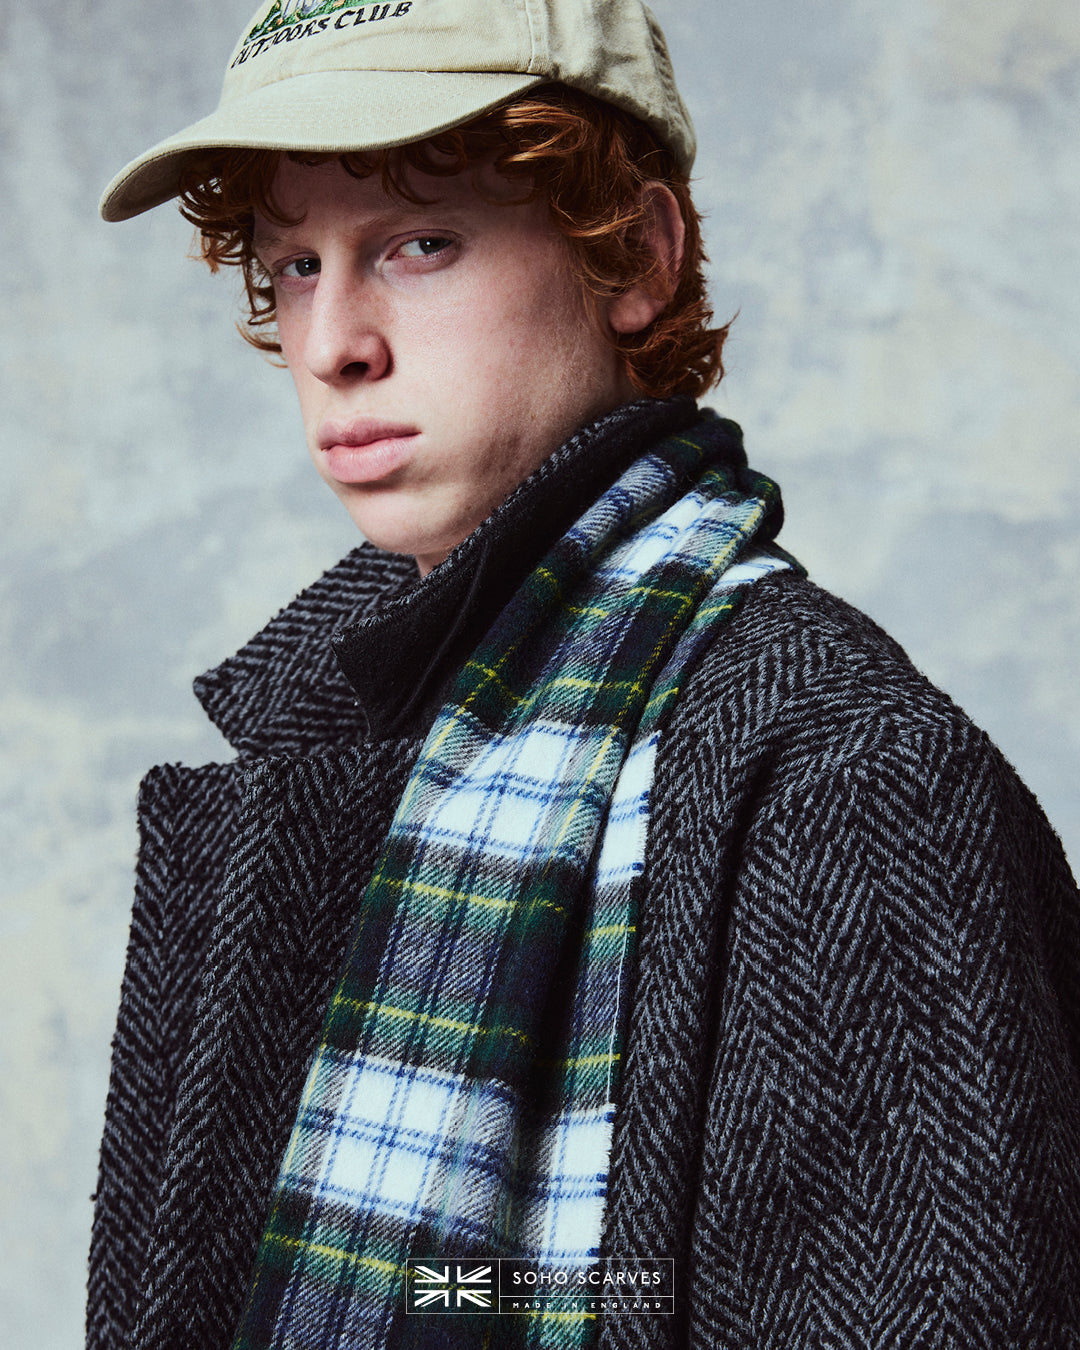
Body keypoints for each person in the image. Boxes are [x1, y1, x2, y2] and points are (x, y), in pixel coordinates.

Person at [89, 2, 1080, 1347]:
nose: (333, 345)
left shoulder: (847, 780)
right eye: (296, 264)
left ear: (637, 259)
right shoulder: (356, 737)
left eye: (418, 242)